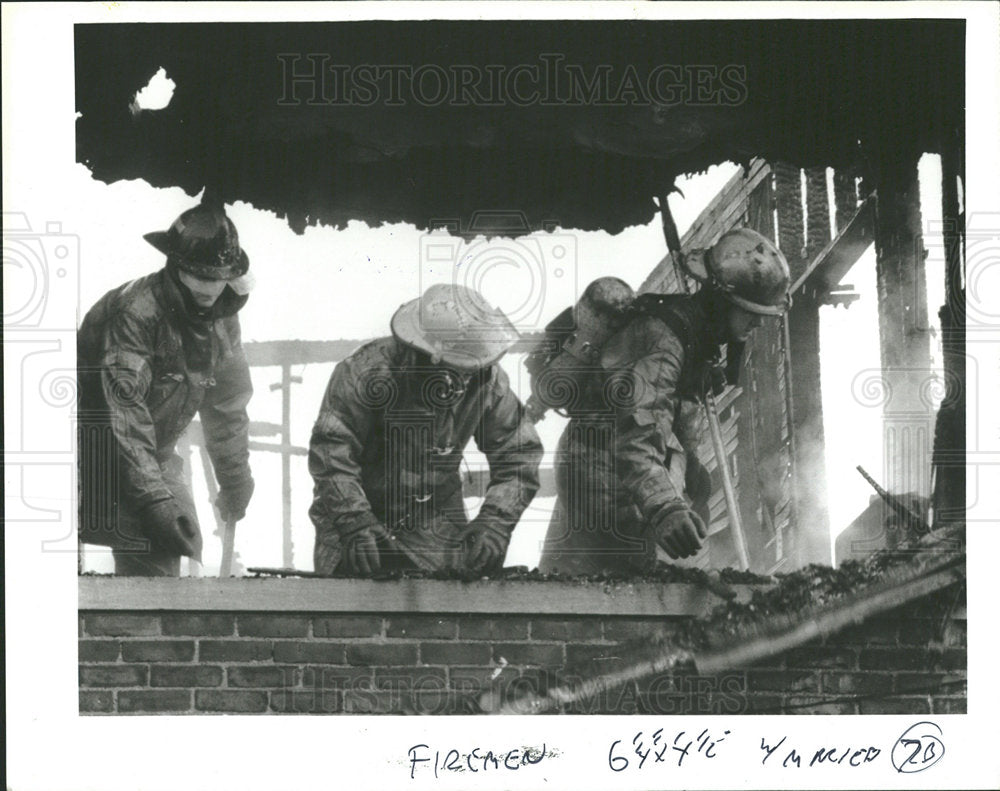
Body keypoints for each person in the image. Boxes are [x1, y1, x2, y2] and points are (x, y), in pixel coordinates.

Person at [536, 227, 791, 575]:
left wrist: (692, 474)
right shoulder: (664, 340)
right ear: (722, 300)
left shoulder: (694, 337)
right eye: (750, 312)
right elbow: (638, 428)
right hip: (604, 471)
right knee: (618, 591)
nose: (758, 323)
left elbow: (671, 418)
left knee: (567, 577)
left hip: (598, 462)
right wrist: (664, 506)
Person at [309, 283, 543, 576]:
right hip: (356, 512)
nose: (463, 382)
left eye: (470, 371)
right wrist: (353, 521)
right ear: (425, 353)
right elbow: (332, 452)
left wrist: (495, 523)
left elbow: (519, 454)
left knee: (457, 595)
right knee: (356, 600)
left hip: (435, 516)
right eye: (455, 370)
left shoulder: (488, 381)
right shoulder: (365, 372)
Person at [77, 201, 256, 576]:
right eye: (199, 275)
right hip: (89, 453)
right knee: (139, 540)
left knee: (175, 538)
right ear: (175, 266)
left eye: (218, 276)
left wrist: (235, 479)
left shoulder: (223, 319)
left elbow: (227, 404)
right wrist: (154, 499)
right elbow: (126, 411)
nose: (210, 287)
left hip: (151, 454)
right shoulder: (135, 313)